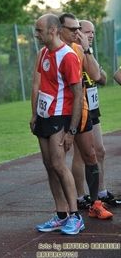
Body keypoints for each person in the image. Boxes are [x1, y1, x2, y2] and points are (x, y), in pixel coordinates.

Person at [30, 14, 84, 235]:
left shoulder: (68, 56)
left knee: (59, 164)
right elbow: (42, 84)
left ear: (53, 30)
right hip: (44, 115)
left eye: (40, 30)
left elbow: (78, 95)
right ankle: (61, 215)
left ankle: (75, 216)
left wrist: (72, 131)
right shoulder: (43, 53)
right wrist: (34, 114)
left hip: (60, 116)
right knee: (49, 166)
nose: (36, 34)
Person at [58, 13, 112, 220]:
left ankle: (95, 201)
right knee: (58, 161)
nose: (79, 33)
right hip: (60, 111)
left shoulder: (81, 50)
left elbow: (100, 77)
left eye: (86, 31)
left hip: (84, 109)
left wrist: (87, 50)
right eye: (76, 29)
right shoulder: (50, 52)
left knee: (92, 154)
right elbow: (38, 84)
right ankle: (69, 206)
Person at [71, 19, 120, 209]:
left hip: (93, 105)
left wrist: (92, 63)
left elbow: (103, 78)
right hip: (79, 105)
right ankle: (81, 196)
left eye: (93, 32)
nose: (91, 35)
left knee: (99, 150)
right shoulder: (73, 51)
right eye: (87, 31)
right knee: (81, 154)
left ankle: (101, 192)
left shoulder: (87, 51)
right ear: (77, 32)